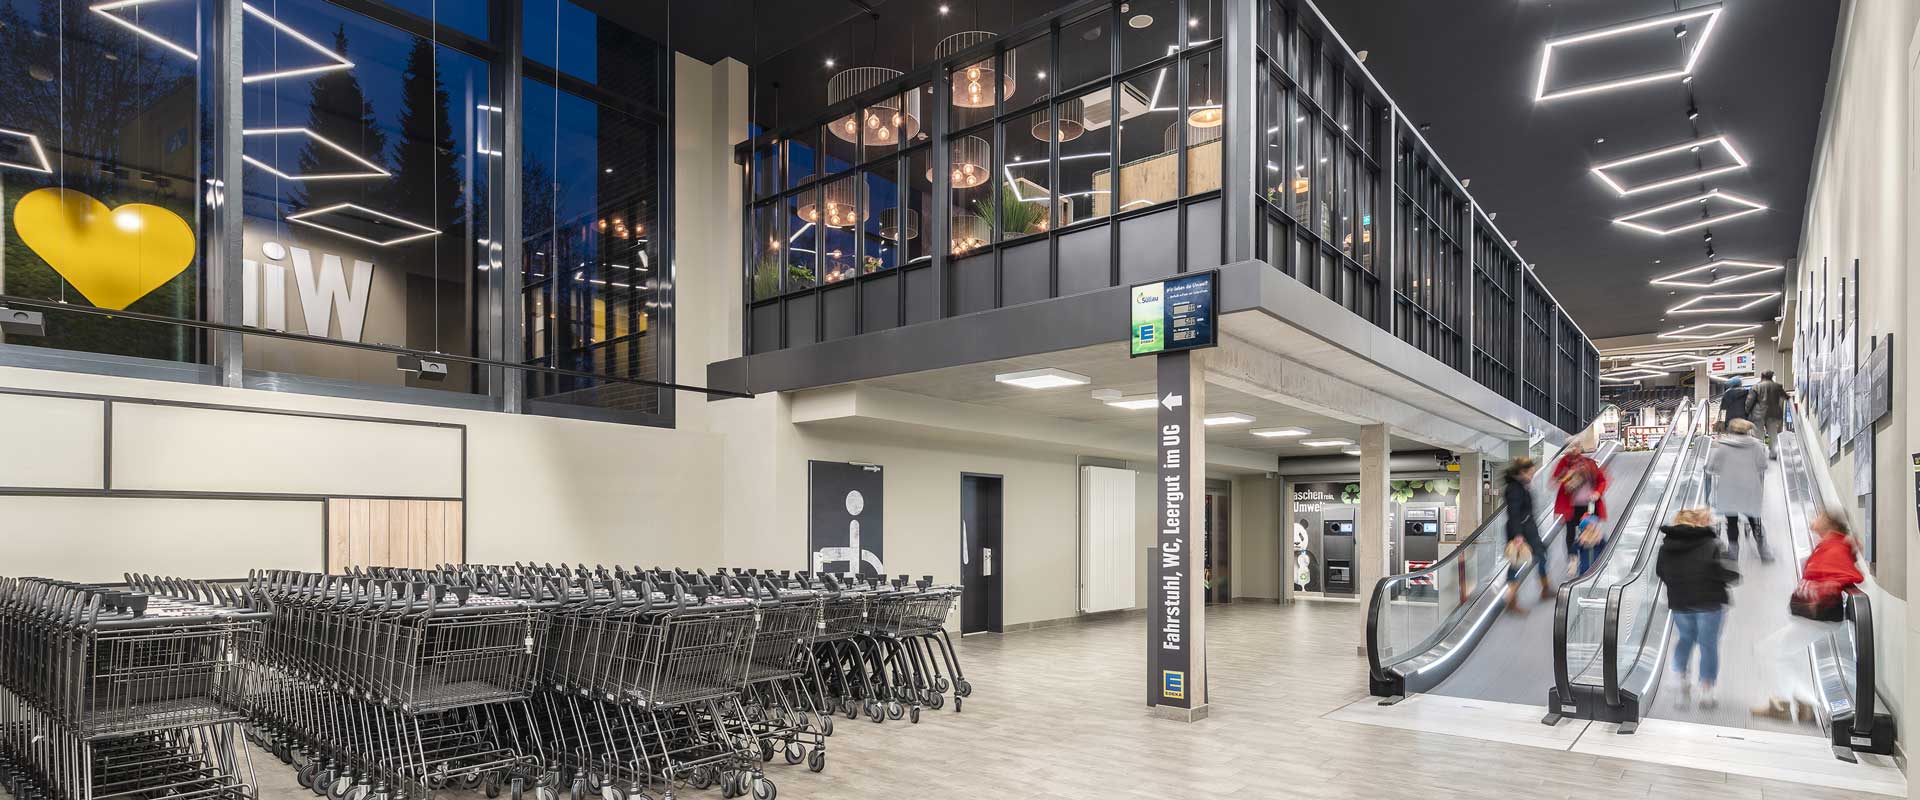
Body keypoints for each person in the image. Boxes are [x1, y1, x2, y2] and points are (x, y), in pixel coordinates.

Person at [1752, 511, 1865, 721]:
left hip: (1820, 616)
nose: (1815, 517)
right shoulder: (1828, 544)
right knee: (1784, 654)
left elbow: (1851, 574)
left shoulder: (1835, 546)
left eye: (1821, 515)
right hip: (1813, 616)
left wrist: (1824, 591)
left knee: (1767, 650)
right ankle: (1805, 704)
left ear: (1830, 523)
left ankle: (1784, 704)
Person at [1656, 507, 1739, 710]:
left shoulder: (1666, 546)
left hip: (1680, 603)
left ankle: (1680, 682)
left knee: (1685, 639)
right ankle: (1706, 691)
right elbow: (1731, 574)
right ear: (1699, 522)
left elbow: (1661, 572)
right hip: (1709, 602)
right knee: (1708, 644)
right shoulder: (1712, 543)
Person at [1707, 418, 1773, 562]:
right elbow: (1762, 466)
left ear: (1730, 430)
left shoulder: (1722, 446)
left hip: (1729, 488)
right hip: (1750, 488)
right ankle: (1764, 552)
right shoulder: (1756, 446)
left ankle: (1733, 553)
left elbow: (1712, 467)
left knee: (1731, 521)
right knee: (1755, 519)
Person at [1552, 442, 1609, 577]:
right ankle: (1573, 560)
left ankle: (1596, 558)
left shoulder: (1589, 463)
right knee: (1570, 533)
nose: (1574, 449)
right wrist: (1567, 475)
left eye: (1577, 446)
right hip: (1571, 507)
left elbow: (1602, 480)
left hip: (1589, 505)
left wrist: (1597, 493)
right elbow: (1555, 478)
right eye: (1571, 446)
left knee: (1590, 531)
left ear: (1581, 448)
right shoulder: (1564, 463)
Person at [1502, 456, 1551, 613]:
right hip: (1522, 532)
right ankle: (1511, 598)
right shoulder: (1514, 489)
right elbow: (1513, 513)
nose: (1532, 476)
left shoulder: (1521, 486)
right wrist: (1517, 535)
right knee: (1517, 563)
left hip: (1528, 529)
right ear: (1521, 472)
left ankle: (1544, 588)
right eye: (1530, 473)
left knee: (1540, 555)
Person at [1750, 370, 1788, 459]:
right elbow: (1786, 397)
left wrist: (1747, 411)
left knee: (1758, 434)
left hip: (1758, 414)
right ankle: (1773, 453)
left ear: (1762, 376)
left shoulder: (1756, 386)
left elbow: (1750, 400)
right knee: (1773, 434)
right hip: (1773, 414)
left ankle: (1760, 453)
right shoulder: (1777, 386)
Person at [1571, 511, 1605, 577]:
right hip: (1585, 569)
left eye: (1594, 525)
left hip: (1598, 567)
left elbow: (1606, 548)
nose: (1593, 526)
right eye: (1590, 525)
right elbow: (1573, 548)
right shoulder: (1582, 539)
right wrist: (1573, 563)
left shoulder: (1600, 537)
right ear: (1585, 527)